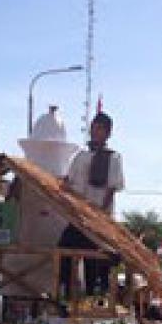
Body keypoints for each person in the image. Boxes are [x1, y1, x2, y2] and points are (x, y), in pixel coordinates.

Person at [58, 112, 124, 295]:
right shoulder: (80, 156)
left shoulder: (113, 157)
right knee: (63, 250)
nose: (96, 131)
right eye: (94, 127)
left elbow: (111, 188)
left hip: (97, 219)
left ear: (108, 133)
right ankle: (66, 294)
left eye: (100, 128)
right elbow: (68, 183)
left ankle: (93, 299)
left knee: (94, 261)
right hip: (77, 216)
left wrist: (100, 216)